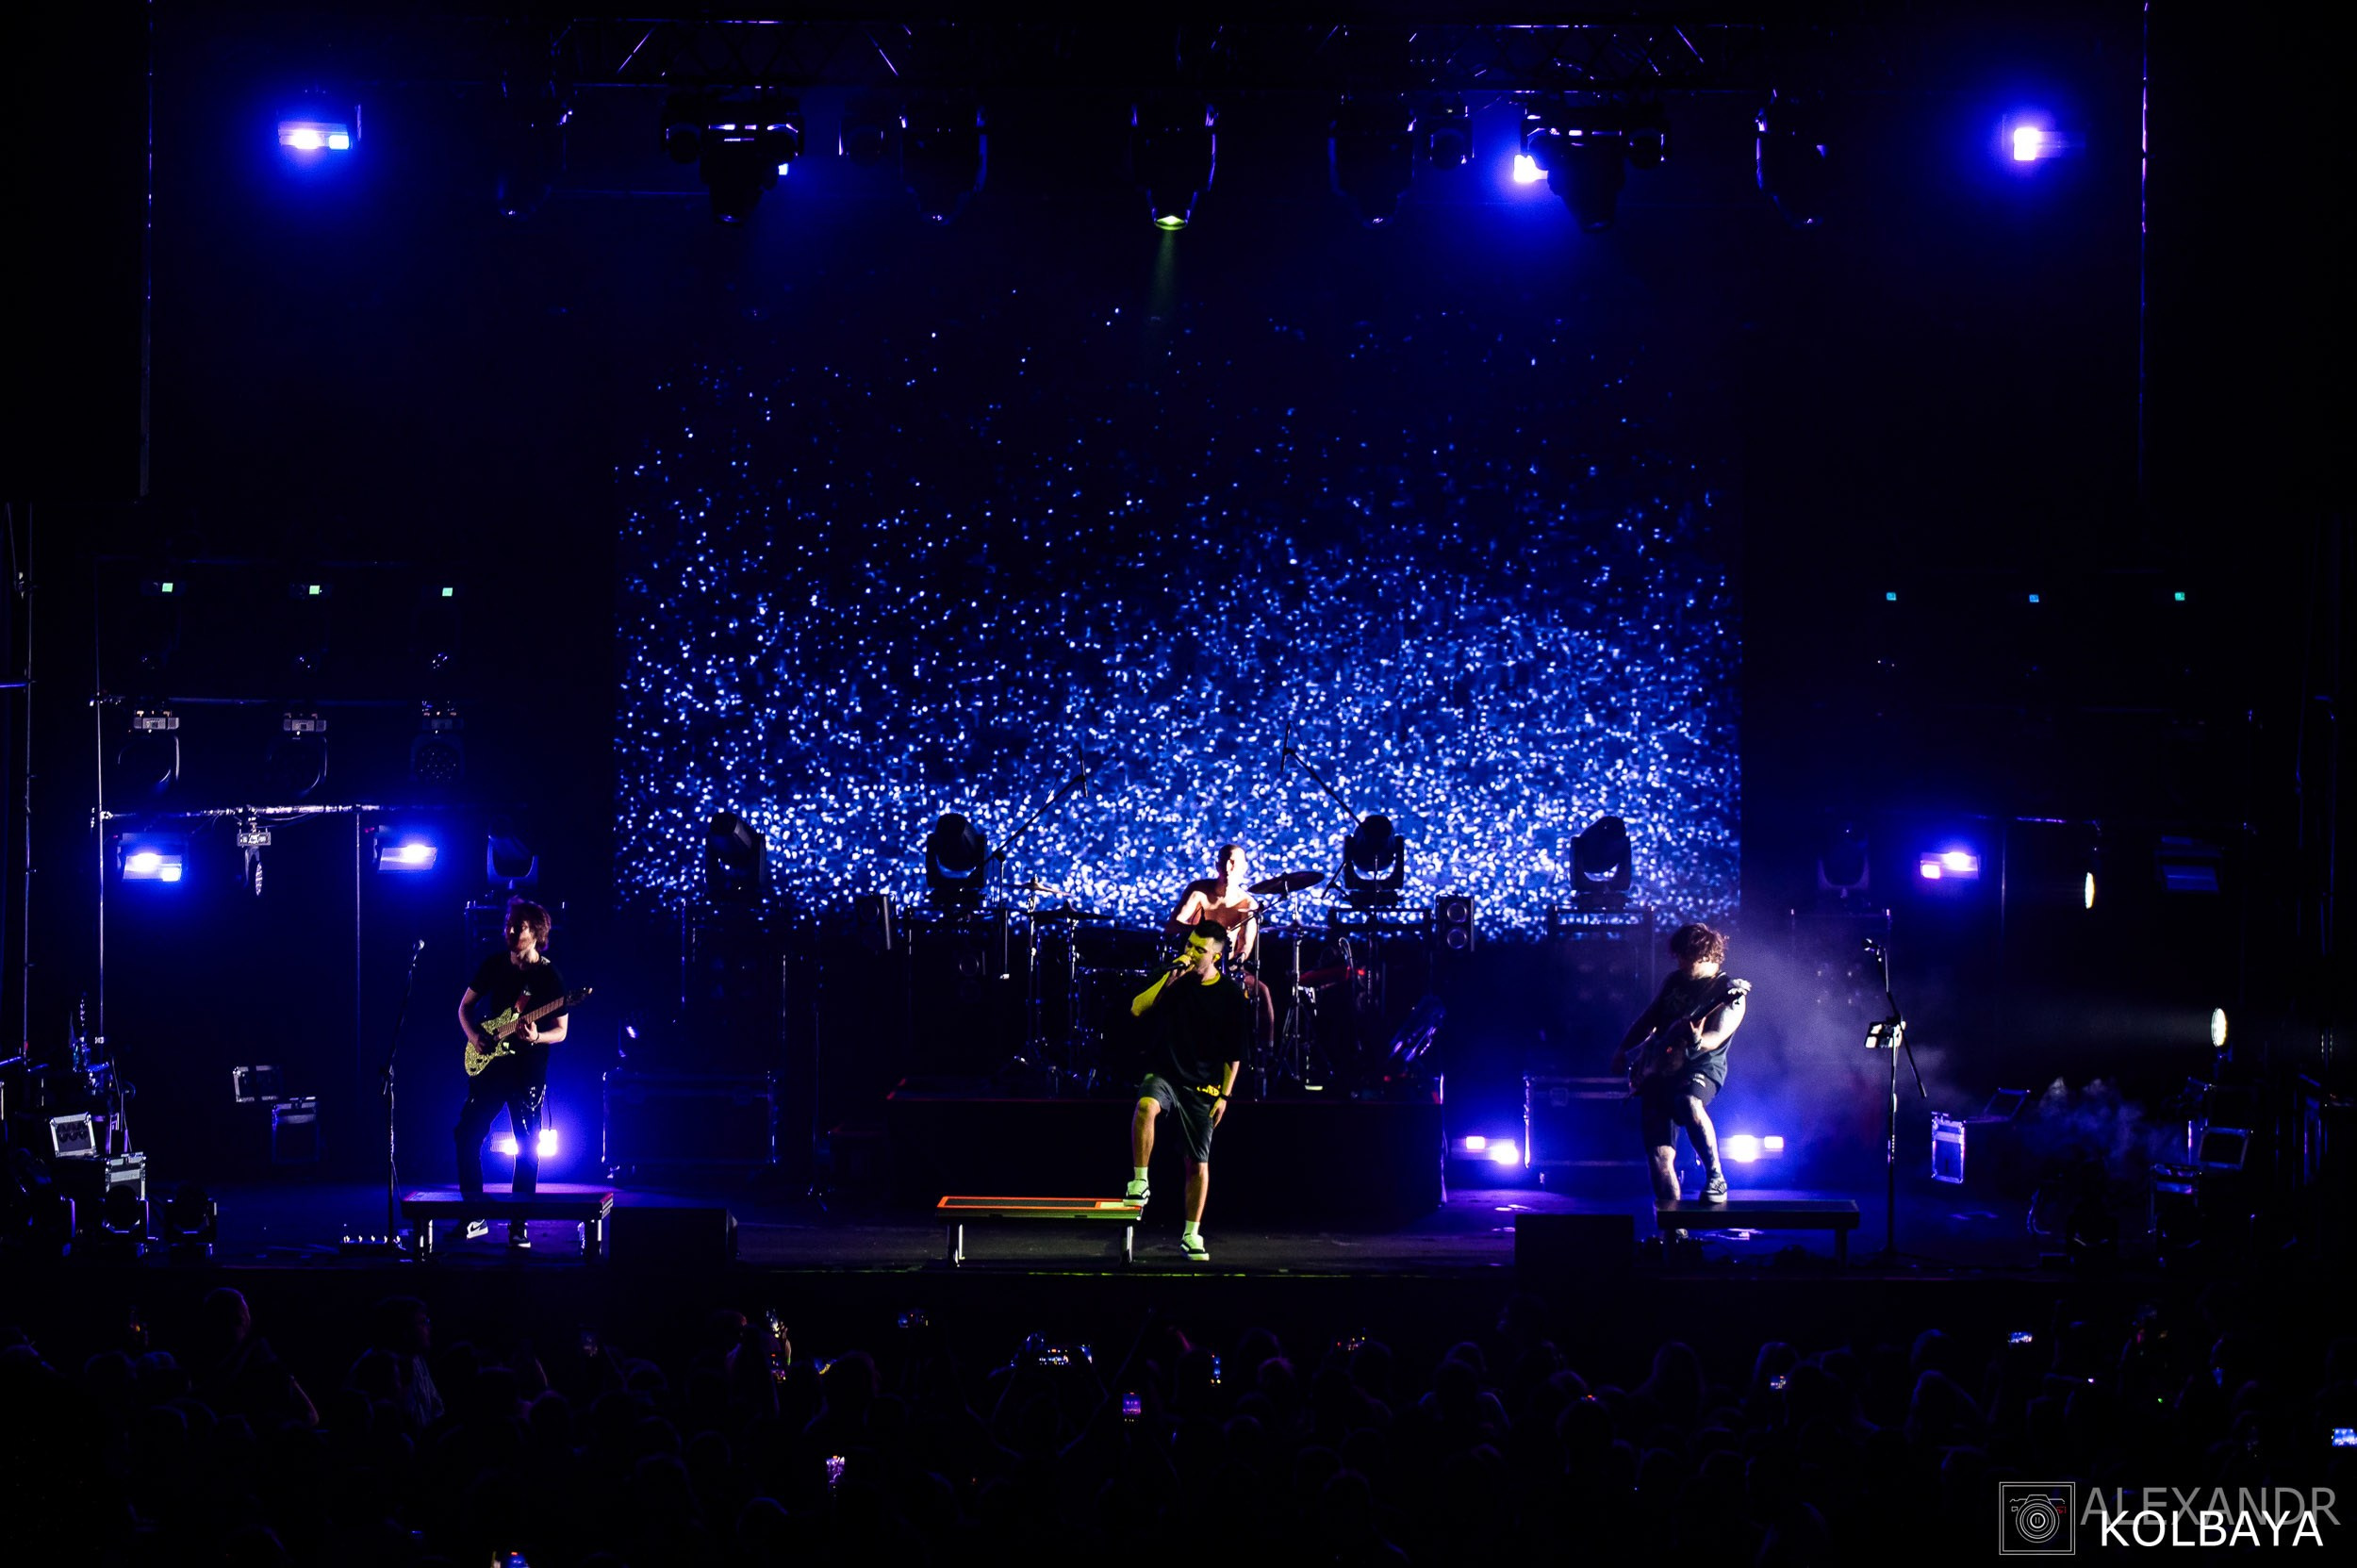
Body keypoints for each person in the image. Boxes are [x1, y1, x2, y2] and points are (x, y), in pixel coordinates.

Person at [1123, 919, 1248, 1263]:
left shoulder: (1230, 996)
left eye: (1199, 950)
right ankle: (1140, 1182)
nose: (1191, 953)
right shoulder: (1173, 979)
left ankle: (1191, 1234)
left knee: (1197, 1162)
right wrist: (1169, 978)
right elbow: (1136, 1008)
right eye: (1189, 945)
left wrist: (1224, 1096)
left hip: (1202, 1084)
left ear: (1217, 957)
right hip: (1165, 1072)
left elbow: (1234, 1054)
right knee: (1146, 1105)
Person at [454, 897, 569, 1248]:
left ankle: (518, 1225)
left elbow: (561, 1030)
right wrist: (475, 1036)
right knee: (466, 1135)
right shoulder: (493, 965)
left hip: (527, 1071)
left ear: (535, 933)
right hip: (491, 1067)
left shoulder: (549, 976)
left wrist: (537, 1036)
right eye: (507, 926)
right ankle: (475, 1215)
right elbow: (465, 1008)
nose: (508, 932)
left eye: (516, 928)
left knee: (527, 1145)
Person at [1609, 922, 1748, 1210]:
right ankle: (1675, 1234)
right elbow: (1650, 1020)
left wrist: (1697, 1040)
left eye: (1686, 957)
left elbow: (1717, 1036)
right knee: (1659, 1156)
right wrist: (1624, 1049)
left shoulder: (1728, 991)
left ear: (1706, 955)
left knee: (1688, 1102)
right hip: (1659, 1070)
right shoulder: (1674, 981)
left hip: (1700, 1067)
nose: (1681, 962)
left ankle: (1715, 1175)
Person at [1163, 843, 1276, 1052]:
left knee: (1262, 991)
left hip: (1228, 968)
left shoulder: (1248, 904)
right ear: (1216, 864)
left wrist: (1237, 962)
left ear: (1244, 868)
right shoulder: (1198, 891)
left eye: (1233, 862)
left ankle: (1264, 1055)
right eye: (1224, 861)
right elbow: (1172, 925)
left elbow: (1246, 944)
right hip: (1193, 963)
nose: (1228, 867)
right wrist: (1205, 936)